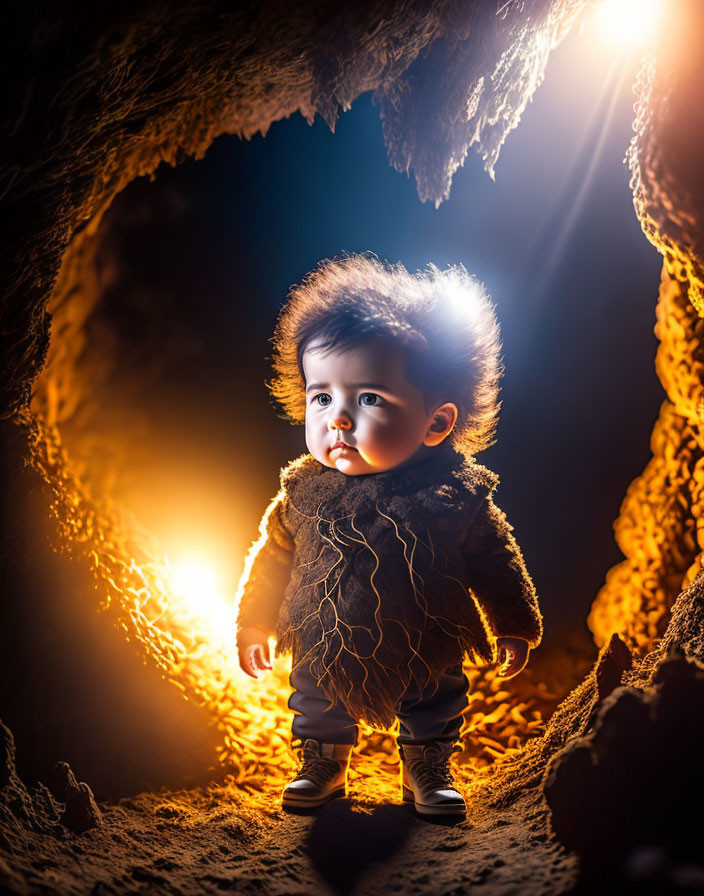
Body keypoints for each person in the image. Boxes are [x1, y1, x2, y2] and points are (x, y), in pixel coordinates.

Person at [235, 254, 542, 817]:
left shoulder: (453, 494)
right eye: (321, 396)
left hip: (426, 629)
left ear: (437, 423)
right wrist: (254, 621)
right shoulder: (303, 493)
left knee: (435, 693)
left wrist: (515, 624)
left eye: (369, 398)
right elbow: (272, 558)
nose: (338, 419)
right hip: (327, 628)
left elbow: (496, 559)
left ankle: (426, 764)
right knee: (317, 692)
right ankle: (322, 758)